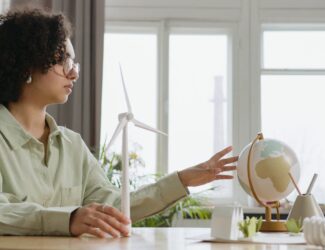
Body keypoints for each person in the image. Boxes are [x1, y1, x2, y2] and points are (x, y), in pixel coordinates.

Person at [0, 7, 237, 238]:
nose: (74, 73)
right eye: (63, 60)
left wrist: (182, 180)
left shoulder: (72, 145)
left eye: (73, 63)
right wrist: (69, 219)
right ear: (27, 63)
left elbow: (116, 207)